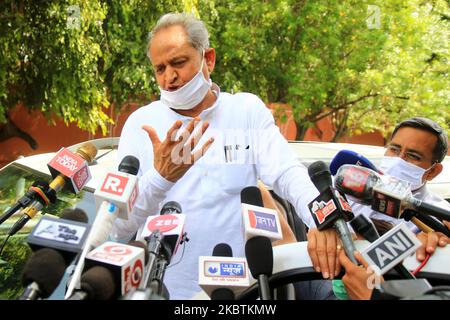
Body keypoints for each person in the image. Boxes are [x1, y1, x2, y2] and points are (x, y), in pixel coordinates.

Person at [111, 12, 321, 300]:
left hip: (245, 290)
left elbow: (287, 173)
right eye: (159, 69)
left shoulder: (245, 111)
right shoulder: (140, 124)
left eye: (178, 63)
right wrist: (161, 177)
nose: (169, 77)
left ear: (208, 58)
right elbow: (117, 226)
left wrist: (323, 220)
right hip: (164, 292)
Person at [308, 117, 450, 293]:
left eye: (413, 156)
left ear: (433, 171)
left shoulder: (441, 215)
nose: (399, 159)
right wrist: (322, 231)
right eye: (394, 149)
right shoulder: (348, 192)